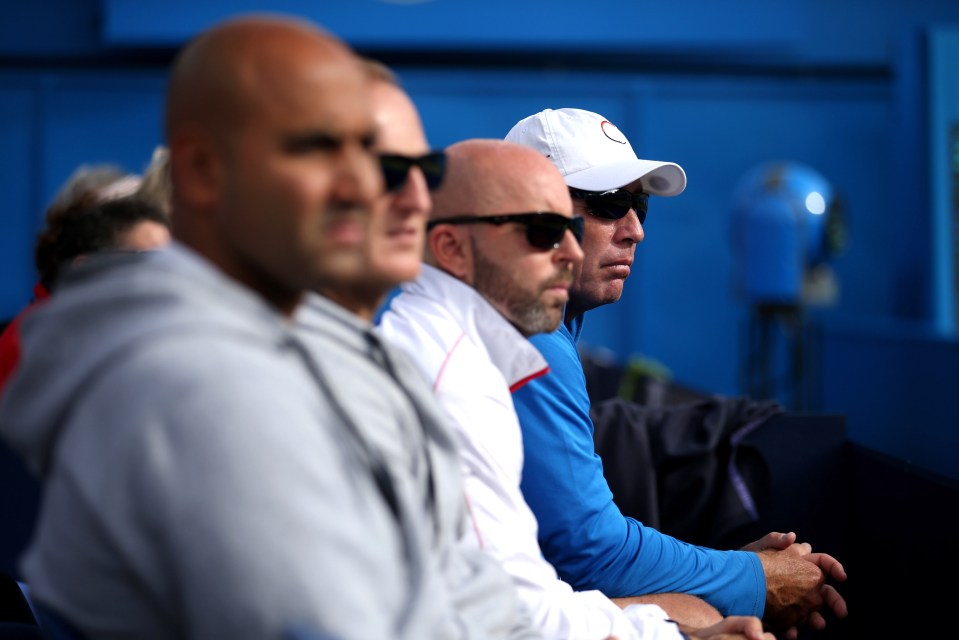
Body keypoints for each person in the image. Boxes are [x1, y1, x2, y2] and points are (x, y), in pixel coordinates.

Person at [0, 15, 532, 640]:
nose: (386, 191)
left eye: (377, 157)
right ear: (203, 171)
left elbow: (474, 592)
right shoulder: (197, 384)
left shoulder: (321, 354)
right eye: (318, 148)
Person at [378, 138, 773, 640]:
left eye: (640, 206)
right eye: (546, 228)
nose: (634, 231)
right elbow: (525, 602)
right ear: (452, 248)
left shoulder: (471, 345)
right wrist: (710, 609)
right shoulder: (462, 377)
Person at [504, 107, 848, 635]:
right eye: (610, 203)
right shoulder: (529, 333)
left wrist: (736, 568)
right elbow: (591, 555)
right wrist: (754, 578)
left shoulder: (538, 327)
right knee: (700, 618)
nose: (635, 230)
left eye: (638, 205)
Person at [295, 61, 538, 638]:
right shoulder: (246, 380)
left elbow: (470, 591)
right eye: (385, 171)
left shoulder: (365, 364)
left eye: (425, 171)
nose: (415, 198)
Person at [0, 171, 170, 396]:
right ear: (86, 269)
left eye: (171, 260)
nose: (166, 276)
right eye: (143, 260)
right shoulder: (33, 347)